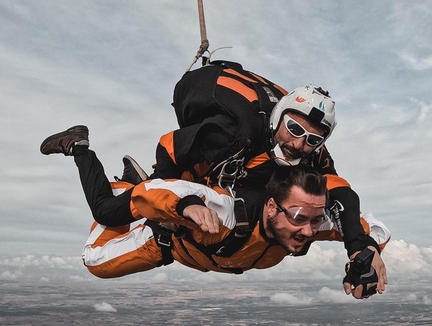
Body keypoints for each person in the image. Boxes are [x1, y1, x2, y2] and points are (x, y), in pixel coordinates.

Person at [40, 60, 379, 262]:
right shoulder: (234, 133)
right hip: (188, 169)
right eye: (293, 128)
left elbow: (342, 194)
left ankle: (140, 184)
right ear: (278, 117)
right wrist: (176, 202)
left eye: (313, 138)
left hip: (223, 178)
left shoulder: (312, 154)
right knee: (105, 211)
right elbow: (170, 145)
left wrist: (357, 248)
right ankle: (79, 146)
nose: (298, 143)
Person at [41, 127, 390, 299]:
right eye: (298, 217)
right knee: (96, 260)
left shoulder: (310, 221)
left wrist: (367, 247)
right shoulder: (227, 211)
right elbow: (162, 191)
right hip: (167, 240)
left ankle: (134, 190)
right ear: (272, 206)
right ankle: (82, 149)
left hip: (206, 250)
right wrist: (187, 205)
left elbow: (374, 225)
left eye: (315, 220)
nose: (309, 230)